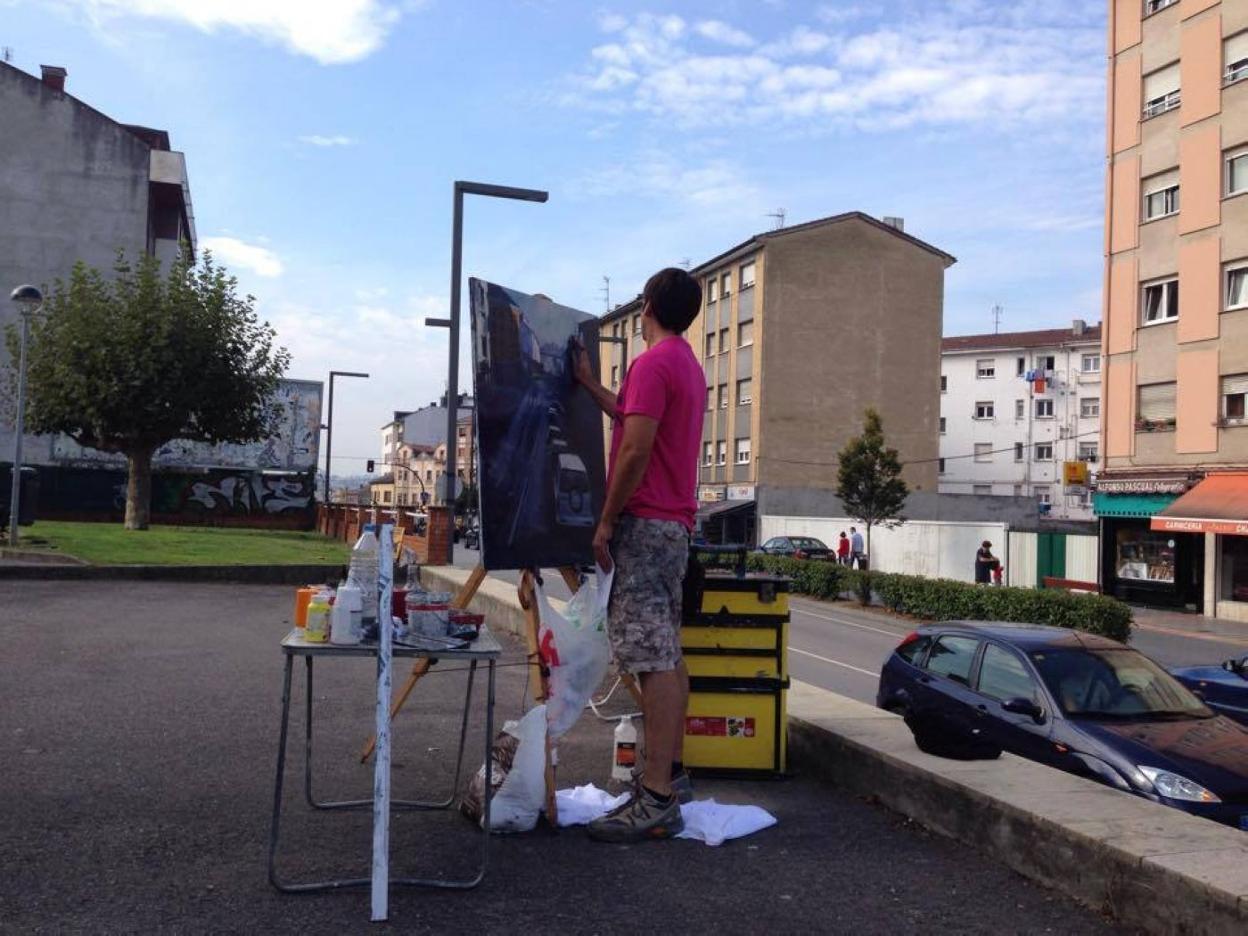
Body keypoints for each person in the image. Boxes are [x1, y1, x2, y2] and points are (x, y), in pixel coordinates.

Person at [572, 267, 705, 843]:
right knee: (666, 650)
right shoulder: (685, 365)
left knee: (650, 657)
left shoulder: (652, 365)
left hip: (645, 524)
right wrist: (587, 384)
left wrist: (606, 520)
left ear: (647, 304)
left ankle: (654, 796)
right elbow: (633, 416)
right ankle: (672, 775)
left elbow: (634, 447)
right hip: (672, 524)